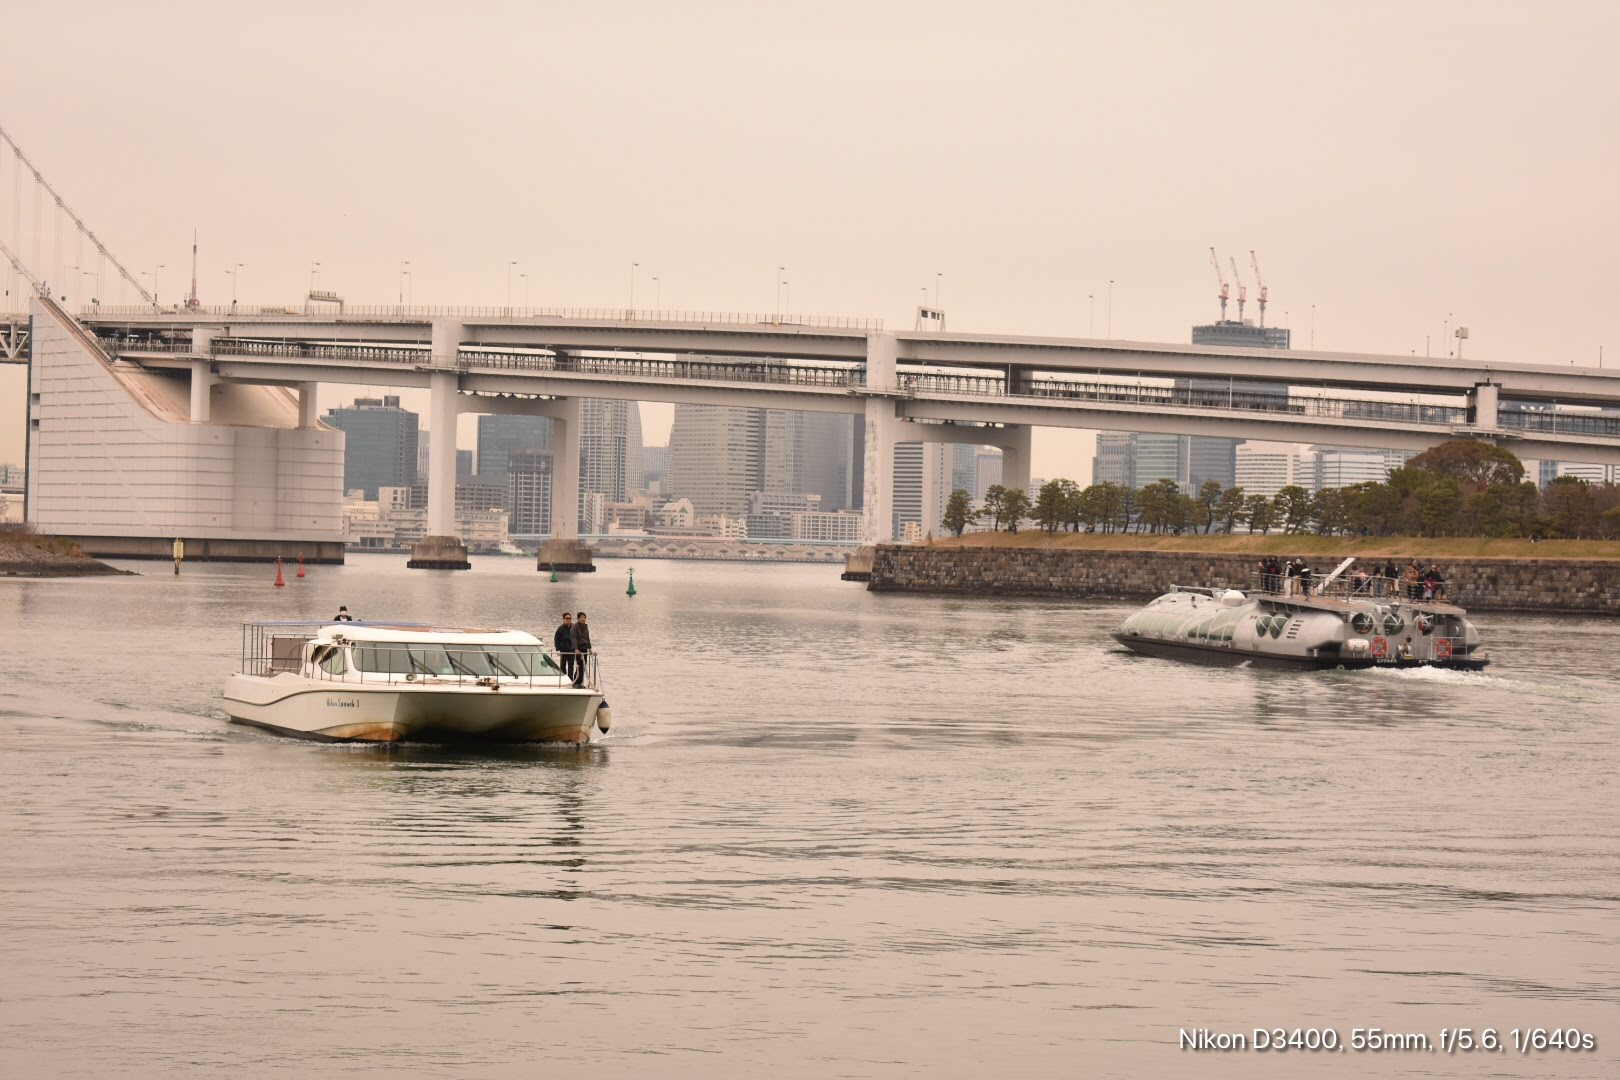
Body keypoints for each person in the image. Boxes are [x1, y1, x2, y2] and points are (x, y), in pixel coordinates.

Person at [572, 611, 592, 688]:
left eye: (584, 617)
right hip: (579, 649)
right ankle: (576, 682)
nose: (583, 619)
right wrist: (576, 648)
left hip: (584, 648)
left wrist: (590, 648)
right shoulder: (575, 627)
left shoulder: (585, 627)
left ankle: (579, 682)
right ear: (578, 618)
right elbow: (573, 638)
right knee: (580, 665)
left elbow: (587, 638)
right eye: (581, 617)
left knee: (583, 665)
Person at [554, 613, 576, 683]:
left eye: (570, 618)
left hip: (571, 650)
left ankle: (570, 679)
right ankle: (563, 679)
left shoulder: (574, 628)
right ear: (564, 619)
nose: (568, 619)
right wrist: (557, 649)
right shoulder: (560, 629)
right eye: (567, 618)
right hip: (563, 650)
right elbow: (556, 639)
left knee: (571, 665)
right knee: (563, 665)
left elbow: (576, 638)